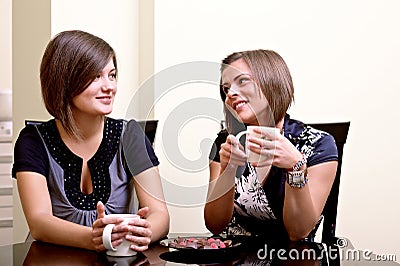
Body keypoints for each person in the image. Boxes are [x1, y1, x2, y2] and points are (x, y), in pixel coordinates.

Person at [12, 30, 169, 252]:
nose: (109, 87)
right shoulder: (32, 141)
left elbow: (160, 213)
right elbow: (39, 222)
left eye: (112, 75)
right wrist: (96, 238)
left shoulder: (130, 135)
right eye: (95, 76)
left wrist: (145, 231)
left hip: (116, 260)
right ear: (64, 80)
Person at [204, 49, 338, 243]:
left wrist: (296, 166)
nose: (230, 94)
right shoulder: (226, 142)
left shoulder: (317, 144)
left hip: (295, 259)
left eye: (242, 81)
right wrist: (228, 169)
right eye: (226, 89)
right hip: (235, 257)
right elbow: (215, 225)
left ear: (271, 82)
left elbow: (298, 232)